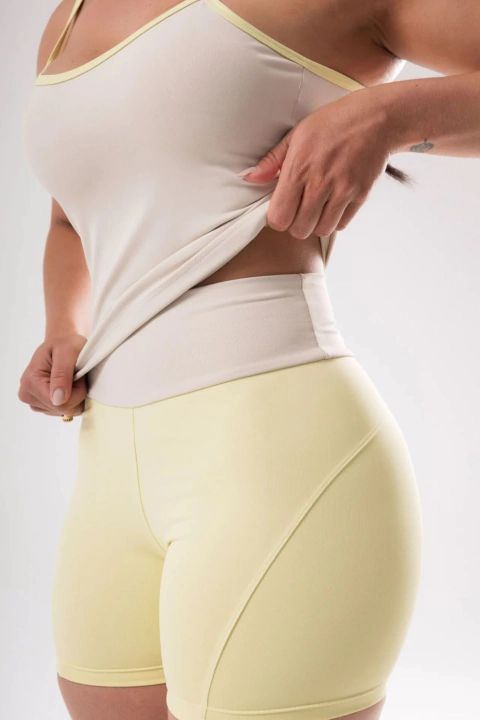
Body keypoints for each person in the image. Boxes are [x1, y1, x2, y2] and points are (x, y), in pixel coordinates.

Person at [17, 1, 480, 719]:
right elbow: (70, 216)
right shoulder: (66, 19)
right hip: (108, 463)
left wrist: (387, 116)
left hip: (279, 455)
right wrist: (64, 328)